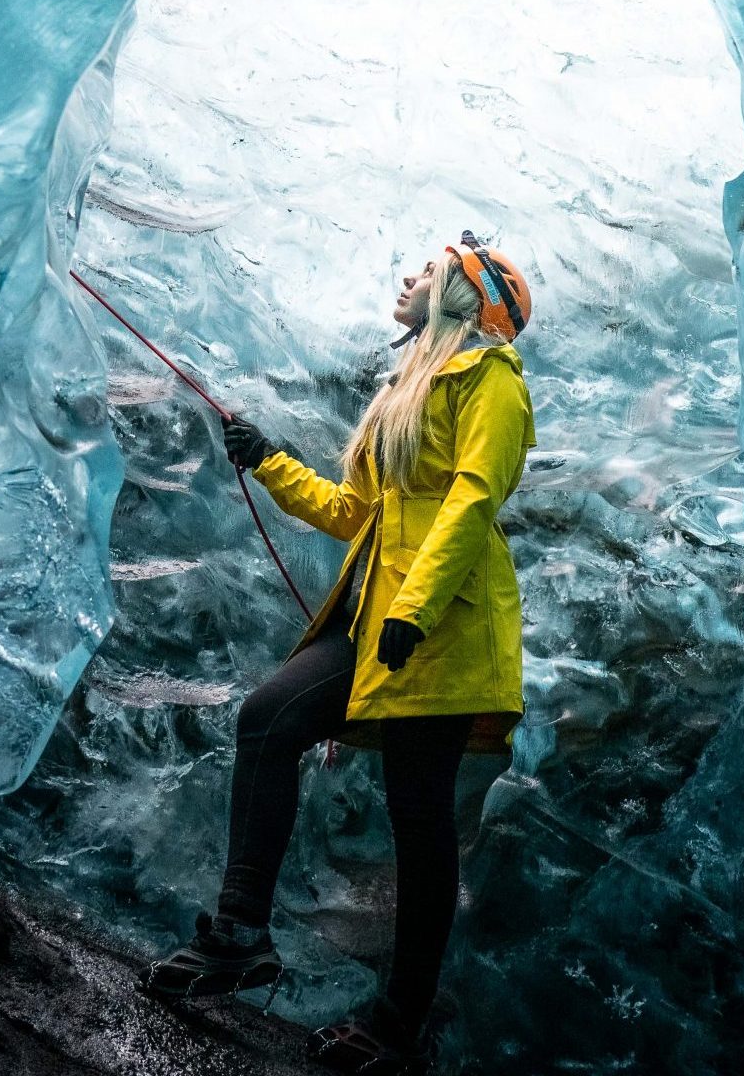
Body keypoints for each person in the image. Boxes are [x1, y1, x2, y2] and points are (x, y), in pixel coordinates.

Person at [149, 233, 537, 1074]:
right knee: (268, 720)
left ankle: (400, 1026)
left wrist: (416, 607)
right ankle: (240, 937)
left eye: (430, 271)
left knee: (417, 820)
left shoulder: (494, 381)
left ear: (465, 296)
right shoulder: (407, 389)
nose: (410, 277)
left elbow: (474, 500)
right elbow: (358, 510)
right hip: (377, 623)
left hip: (443, 629)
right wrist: (271, 463)